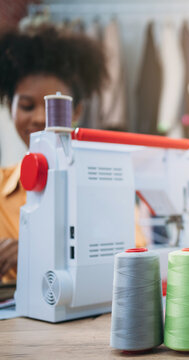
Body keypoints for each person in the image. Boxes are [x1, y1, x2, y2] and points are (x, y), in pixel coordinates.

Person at [0, 25, 142, 283]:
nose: (41, 118)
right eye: (27, 105)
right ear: (10, 107)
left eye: (55, 108)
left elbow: (134, 258)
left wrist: (36, 254)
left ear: (77, 112)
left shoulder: (106, 186)